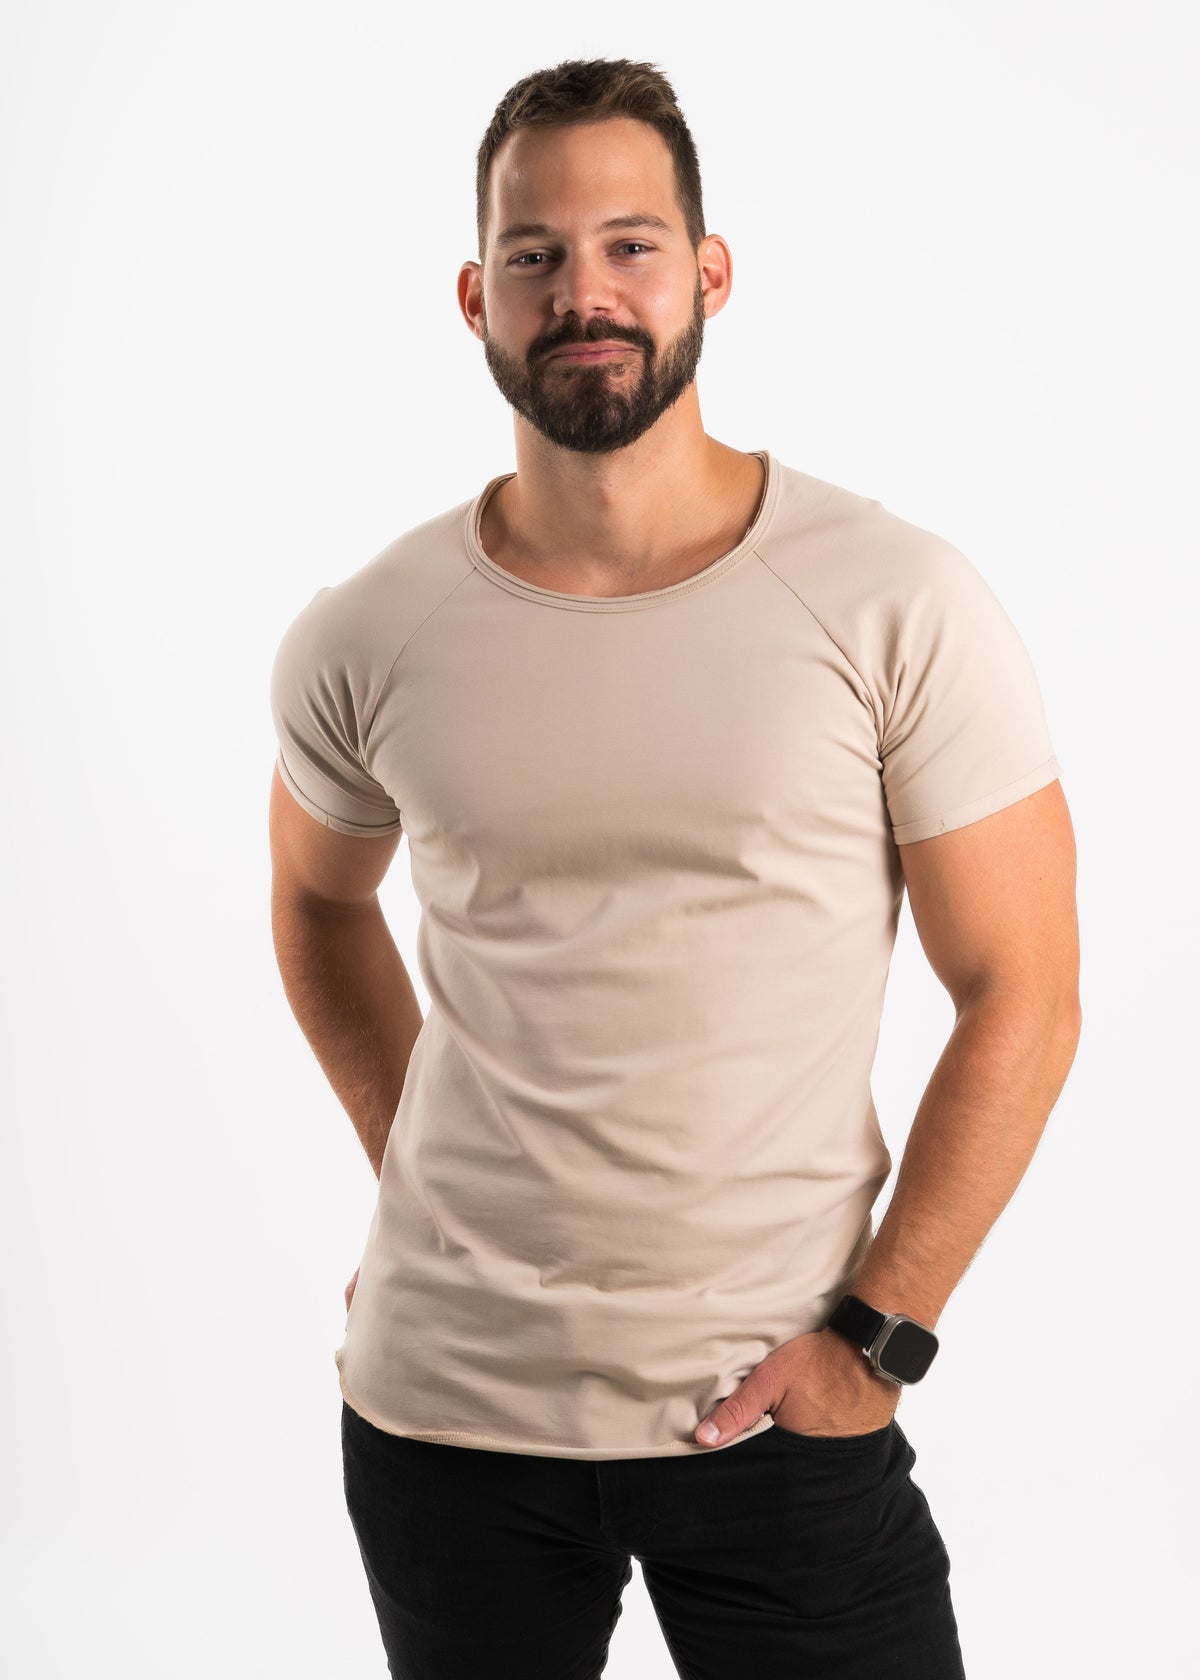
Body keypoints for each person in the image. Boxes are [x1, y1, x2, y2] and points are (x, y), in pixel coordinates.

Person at [268, 55, 1081, 1680]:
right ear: (476, 297)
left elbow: (1027, 993)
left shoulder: (891, 601)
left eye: (631, 245)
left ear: (709, 273)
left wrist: (879, 1337)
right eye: (536, 254)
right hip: (445, 1417)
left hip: (780, 1405)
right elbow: (315, 898)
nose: (585, 292)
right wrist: (409, 1163)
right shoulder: (370, 629)